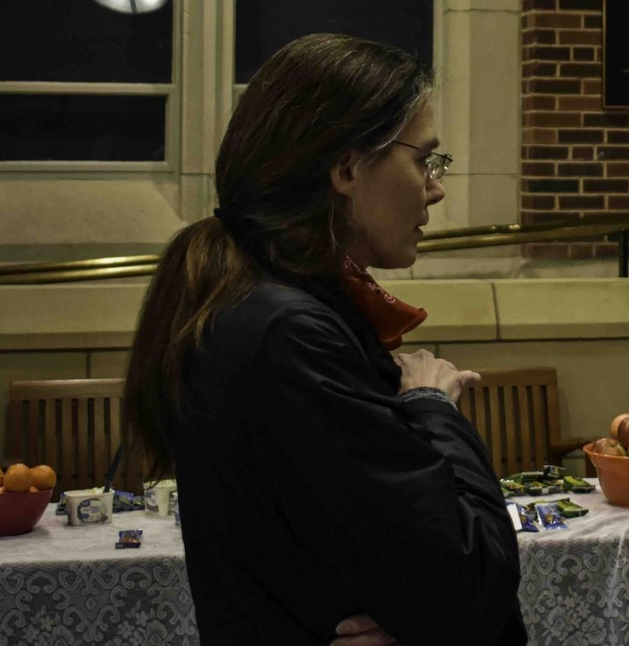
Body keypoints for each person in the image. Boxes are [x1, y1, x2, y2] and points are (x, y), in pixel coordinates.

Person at [122, 33, 526, 645]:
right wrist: (433, 407)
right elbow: (475, 576)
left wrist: (419, 620)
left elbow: (350, 549)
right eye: (424, 159)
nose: (436, 188)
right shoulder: (290, 333)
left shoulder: (255, 300)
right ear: (346, 168)